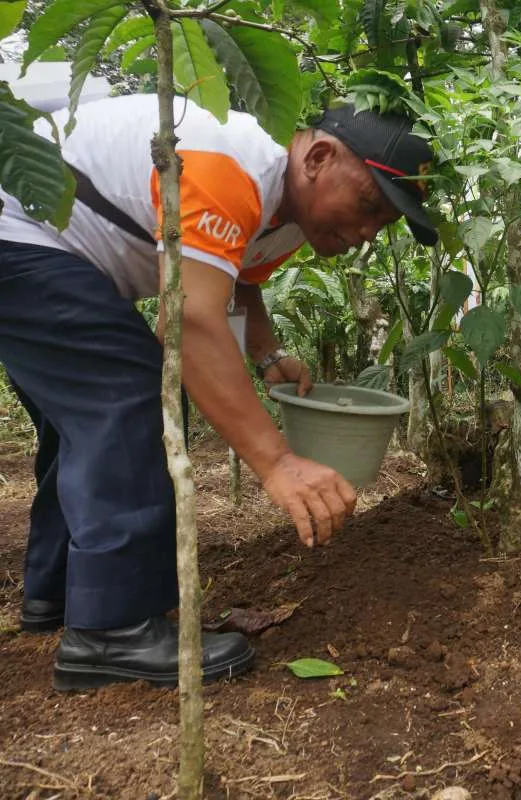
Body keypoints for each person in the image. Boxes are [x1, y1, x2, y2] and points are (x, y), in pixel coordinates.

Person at [0, 95, 440, 689]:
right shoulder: (230, 164)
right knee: (132, 393)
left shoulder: (288, 217)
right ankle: (113, 627)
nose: (364, 232)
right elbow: (190, 320)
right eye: (367, 205)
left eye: (381, 224)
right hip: (19, 228)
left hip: (52, 249)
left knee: (86, 419)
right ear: (317, 157)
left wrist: (269, 354)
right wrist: (278, 462)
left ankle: (59, 595)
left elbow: (239, 286)